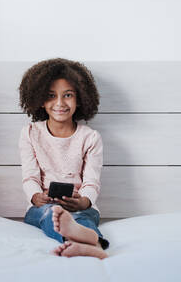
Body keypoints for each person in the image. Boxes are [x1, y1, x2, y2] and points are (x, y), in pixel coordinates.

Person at [18, 58, 109, 259]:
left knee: (83, 217)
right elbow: (30, 177)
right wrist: (36, 197)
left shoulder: (90, 138)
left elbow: (91, 181)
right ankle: (88, 243)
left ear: (80, 99)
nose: (60, 103)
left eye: (68, 95)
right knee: (51, 214)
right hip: (43, 206)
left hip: (83, 207)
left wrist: (84, 202)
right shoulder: (30, 133)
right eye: (51, 96)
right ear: (40, 99)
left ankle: (90, 243)